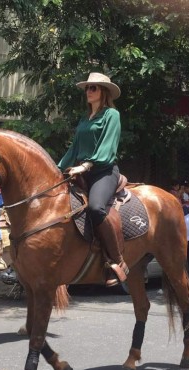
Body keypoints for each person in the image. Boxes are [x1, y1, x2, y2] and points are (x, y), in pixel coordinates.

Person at [57, 72, 127, 287]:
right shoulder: (84, 119)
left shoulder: (111, 115)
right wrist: (57, 169)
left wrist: (86, 165)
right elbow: (74, 149)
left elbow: (107, 147)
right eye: (87, 88)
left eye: (93, 88)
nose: (88, 91)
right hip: (80, 171)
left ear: (103, 92)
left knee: (96, 208)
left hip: (103, 171)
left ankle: (117, 262)